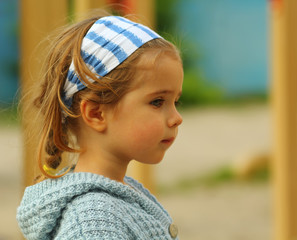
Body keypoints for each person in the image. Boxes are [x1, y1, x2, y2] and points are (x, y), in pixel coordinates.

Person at [16, 14, 183, 240]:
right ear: (96, 113)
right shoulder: (94, 222)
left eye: (176, 101)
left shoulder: (121, 191)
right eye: (157, 102)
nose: (176, 118)